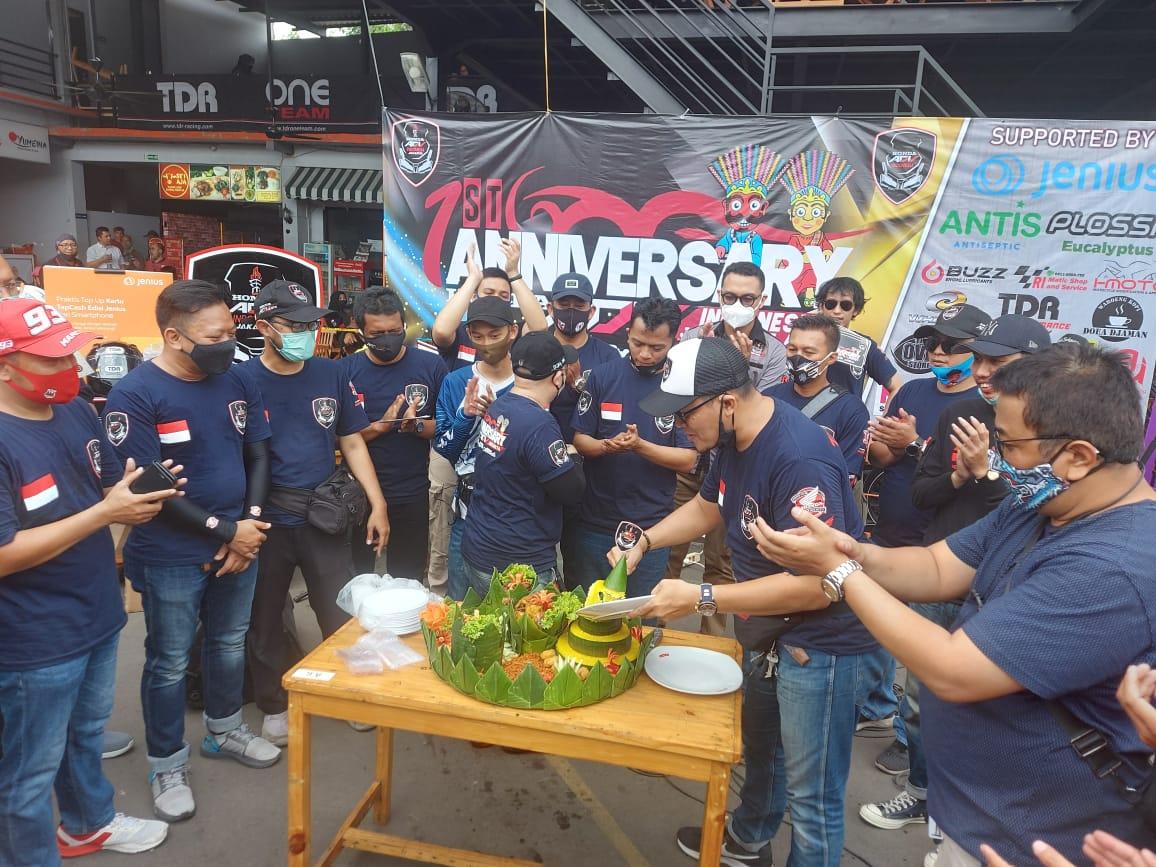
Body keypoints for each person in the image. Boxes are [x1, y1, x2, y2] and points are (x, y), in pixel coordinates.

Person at [752, 341, 1156, 866]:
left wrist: (840, 571)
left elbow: (953, 669)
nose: (995, 458)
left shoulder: (1111, 568)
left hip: (1035, 844)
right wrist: (851, 550)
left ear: (1078, 457)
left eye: (1008, 445)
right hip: (978, 818)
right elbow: (938, 566)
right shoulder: (1044, 504)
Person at [620, 337, 877, 867]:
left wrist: (701, 595)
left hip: (819, 645)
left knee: (814, 800)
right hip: (767, 629)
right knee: (763, 752)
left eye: (684, 414)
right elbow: (709, 506)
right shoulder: (731, 438)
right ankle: (749, 837)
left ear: (727, 402)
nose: (679, 428)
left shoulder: (798, 459)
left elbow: (820, 583)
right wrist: (646, 539)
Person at [858, 313, 1050, 835]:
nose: (983, 371)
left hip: (1011, 584)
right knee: (922, 701)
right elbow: (924, 493)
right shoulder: (961, 413)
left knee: (995, 707)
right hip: (943, 570)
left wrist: (988, 472)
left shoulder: (1057, 430)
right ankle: (923, 795)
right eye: (980, 358)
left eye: (998, 362)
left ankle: (972, 809)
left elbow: (1032, 510)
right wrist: (961, 475)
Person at [0, 299, 175, 863]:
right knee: (28, 772)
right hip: (33, 638)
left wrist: (130, 496)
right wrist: (105, 513)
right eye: (50, 359)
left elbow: (103, 490)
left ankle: (86, 824)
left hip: (97, 611)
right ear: (5, 366)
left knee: (85, 736)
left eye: (68, 353)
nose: (68, 366)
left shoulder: (75, 410)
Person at [104, 279, 280, 823]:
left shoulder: (236, 379)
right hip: (170, 553)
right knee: (169, 661)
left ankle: (224, 730)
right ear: (175, 337)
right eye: (216, 336)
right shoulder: (135, 395)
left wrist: (249, 525)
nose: (229, 343)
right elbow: (145, 489)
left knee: (228, 642)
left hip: (239, 540)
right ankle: (167, 762)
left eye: (231, 331)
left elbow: (258, 455)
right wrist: (226, 531)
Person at [235, 280, 390, 747]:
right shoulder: (242, 381)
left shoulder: (330, 374)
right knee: (266, 616)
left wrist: (377, 502)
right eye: (294, 325)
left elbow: (351, 440)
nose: (306, 333)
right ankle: (274, 705)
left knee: (339, 609)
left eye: (311, 324)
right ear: (264, 326)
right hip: (266, 519)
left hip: (324, 515)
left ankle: (346, 695)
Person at [859, 303, 991, 774]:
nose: (938, 352)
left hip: (941, 549)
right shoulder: (912, 390)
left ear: (977, 353)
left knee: (922, 657)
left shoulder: (984, 407)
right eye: (934, 342)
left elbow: (975, 478)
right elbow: (880, 456)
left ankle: (908, 742)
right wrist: (885, 443)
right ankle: (876, 707)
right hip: (891, 529)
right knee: (876, 627)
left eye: (951, 345)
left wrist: (916, 443)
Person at [664, 261, 788, 636]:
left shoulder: (773, 351)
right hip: (691, 464)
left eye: (747, 298)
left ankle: (713, 643)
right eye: (730, 296)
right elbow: (677, 400)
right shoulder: (694, 338)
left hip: (736, 470)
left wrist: (741, 368)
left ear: (761, 301)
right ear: (719, 295)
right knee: (671, 552)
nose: (738, 304)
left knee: (721, 563)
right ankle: (657, 629)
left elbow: (758, 409)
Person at [570, 298, 696, 595]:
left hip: (651, 527)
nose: (645, 354)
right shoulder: (602, 376)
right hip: (594, 523)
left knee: (642, 613)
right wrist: (606, 446)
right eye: (638, 343)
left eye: (657, 347)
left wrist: (640, 446)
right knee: (584, 609)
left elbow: (689, 460)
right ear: (627, 334)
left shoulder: (681, 387)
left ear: (673, 342)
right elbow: (580, 440)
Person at [460, 331, 584, 594]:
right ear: (558, 377)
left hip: (479, 550)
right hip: (519, 566)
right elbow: (571, 491)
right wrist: (573, 457)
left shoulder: (499, 406)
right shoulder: (540, 424)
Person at [342, 286, 446, 580]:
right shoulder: (345, 371)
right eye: (377, 334)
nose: (387, 338)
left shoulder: (431, 365)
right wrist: (379, 427)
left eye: (394, 331)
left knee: (407, 580)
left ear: (403, 325)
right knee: (359, 580)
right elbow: (335, 438)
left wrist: (416, 426)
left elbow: (445, 426)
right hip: (358, 496)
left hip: (412, 492)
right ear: (361, 332)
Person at [433, 297, 518, 599]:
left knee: (518, 611)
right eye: (478, 336)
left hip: (517, 517)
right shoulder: (455, 382)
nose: (487, 344)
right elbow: (445, 448)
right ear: (469, 334)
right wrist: (465, 416)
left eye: (495, 335)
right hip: (469, 516)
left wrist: (500, 417)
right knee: (462, 606)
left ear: (513, 331)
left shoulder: (527, 382)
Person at [764, 313, 870, 486]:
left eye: (809, 352)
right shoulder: (767, 398)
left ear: (831, 358)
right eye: (792, 349)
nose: (798, 357)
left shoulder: (851, 410)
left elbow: (847, 479)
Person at [430, 238, 547, 370]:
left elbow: (540, 329)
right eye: (489, 293)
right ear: (473, 296)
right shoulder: (461, 332)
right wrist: (473, 279)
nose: (495, 299)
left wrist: (513, 273)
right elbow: (441, 331)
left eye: (504, 295)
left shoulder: (513, 333)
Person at [543, 272, 621, 443]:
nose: (571, 311)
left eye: (579, 306)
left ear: (591, 312)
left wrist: (578, 383)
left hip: (590, 451)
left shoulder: (608, 356)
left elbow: (613, 411)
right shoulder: (537, 349)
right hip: (540, 447)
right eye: (563, 305)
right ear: (550, 309)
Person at [815, 277, 903, 400]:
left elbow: (897, 387)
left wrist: (886, 413)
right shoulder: (801, 339)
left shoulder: (864, 345)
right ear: (821, 306)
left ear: (856, 310)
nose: (837, 311)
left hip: (847, 412)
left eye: (845, 305)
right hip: (802, 412)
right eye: (831, 304)